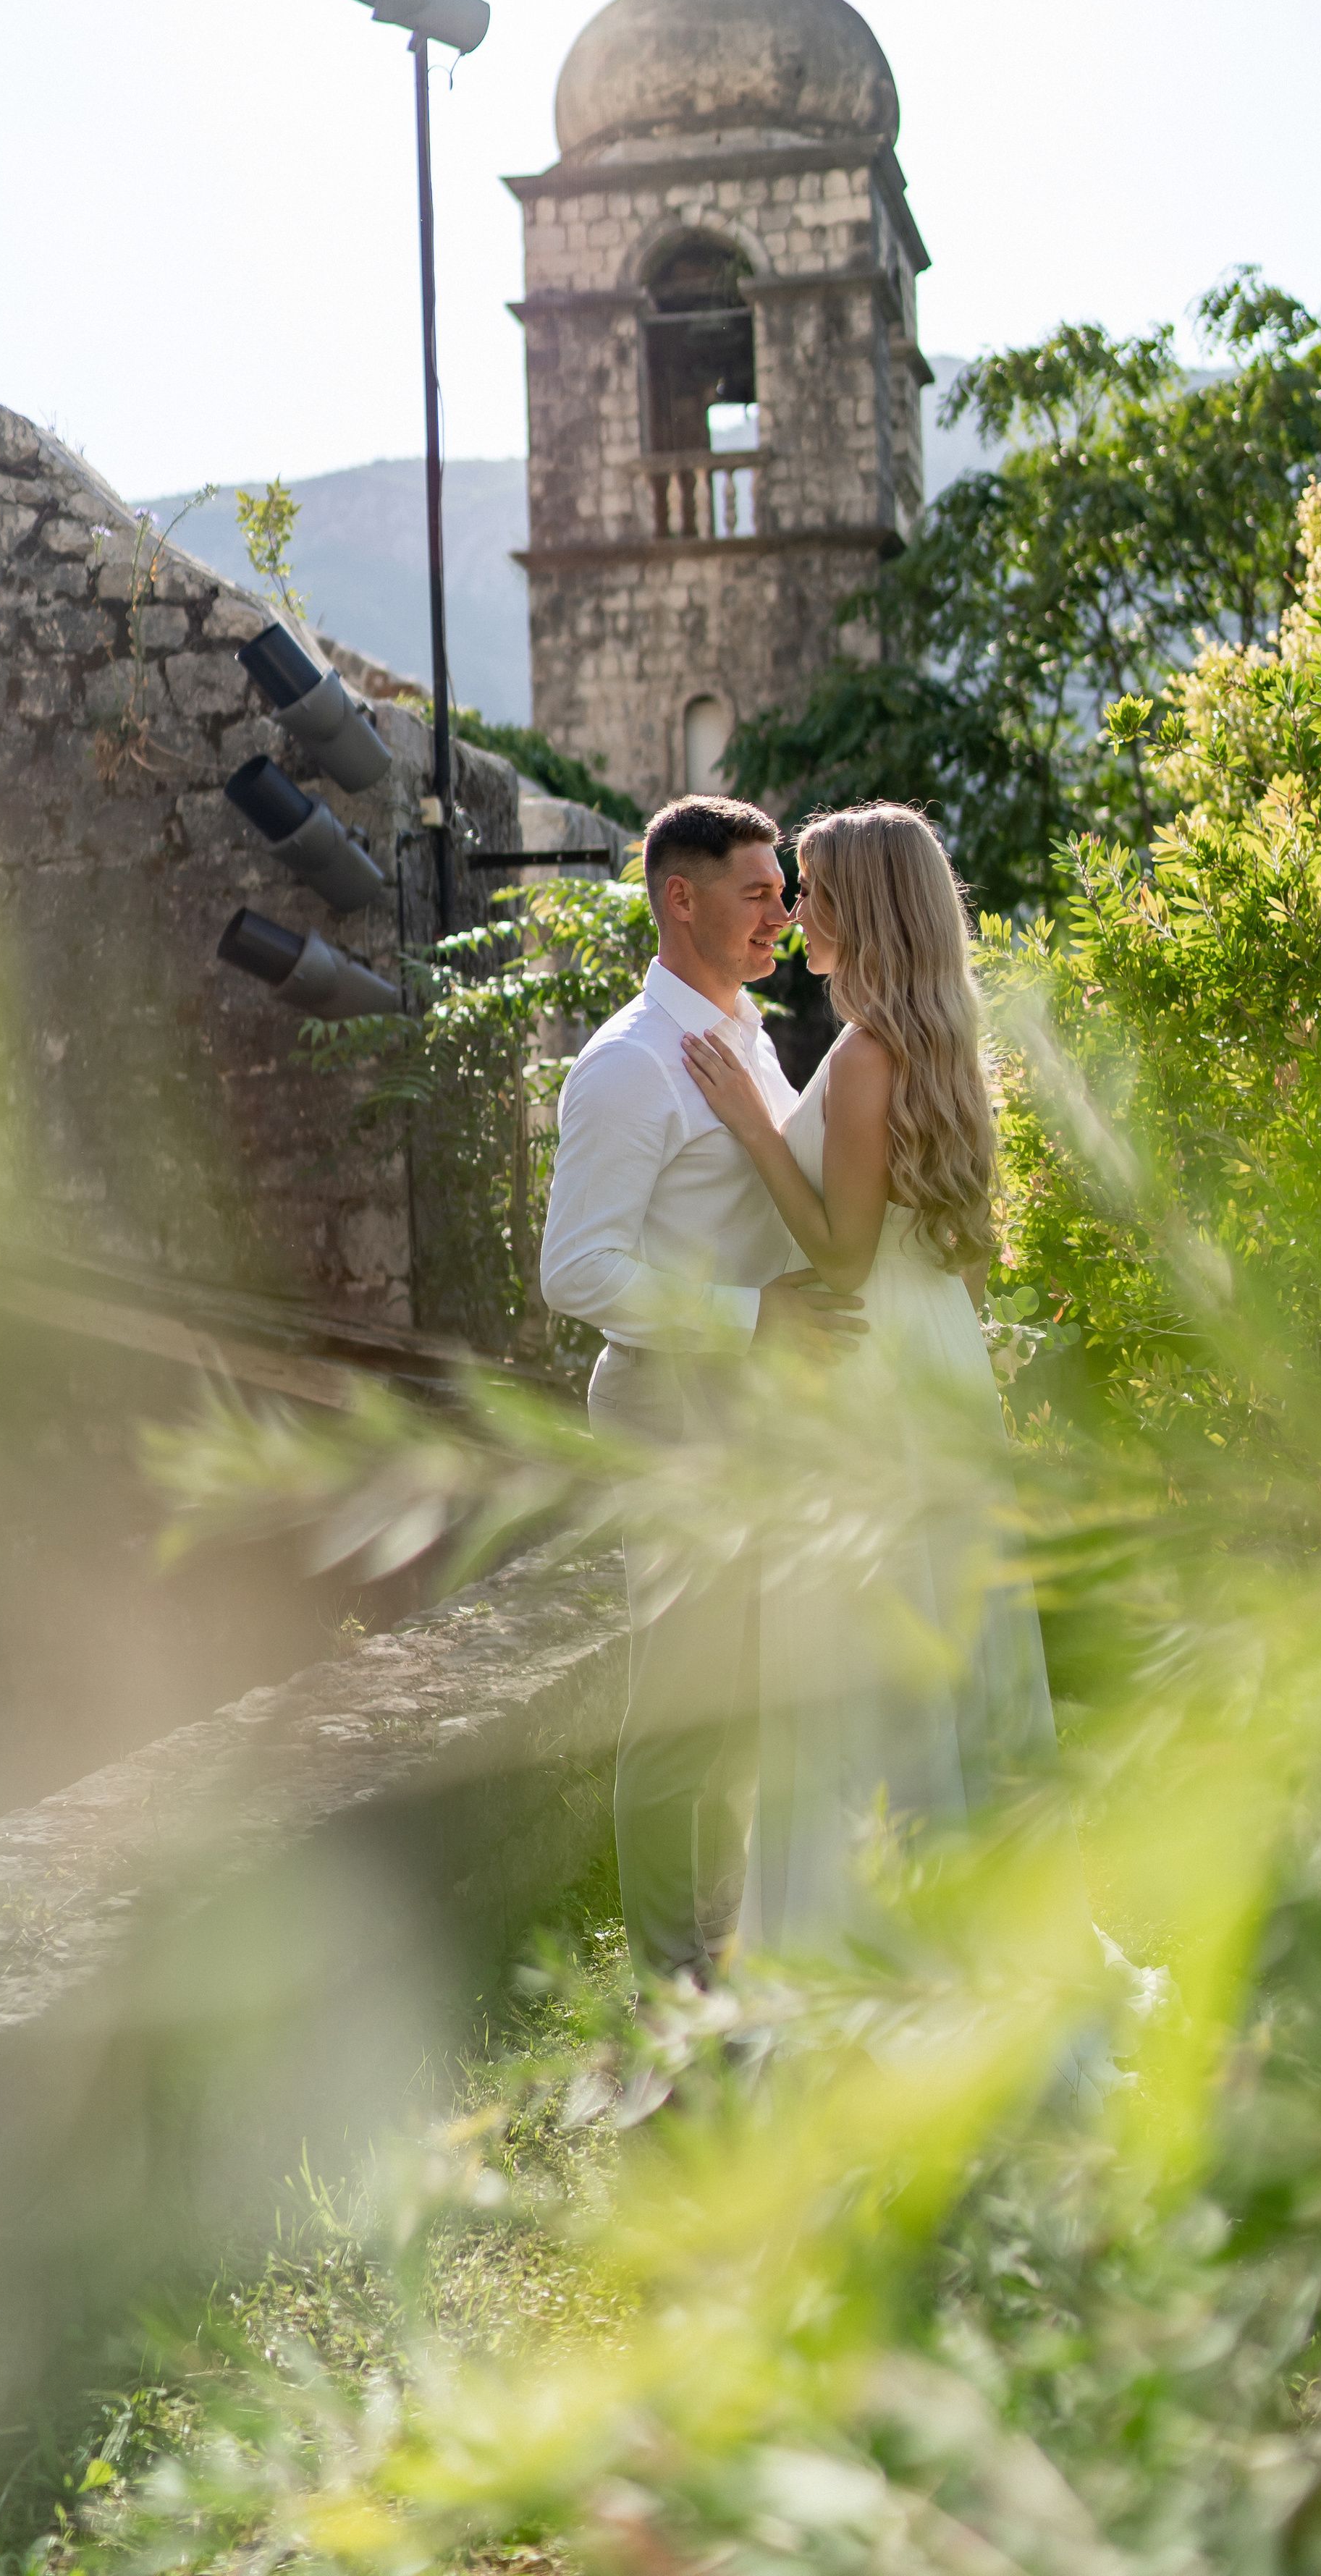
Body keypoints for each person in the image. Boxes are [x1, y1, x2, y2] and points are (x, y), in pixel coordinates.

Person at [680, 799, 1061, 1954]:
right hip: (935, 1347)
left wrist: (754, 1125)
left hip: (867, 1363)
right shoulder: (940, 1044)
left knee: (856, 1646)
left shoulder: (859, 1057)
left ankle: (864, 1940)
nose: (795, 912)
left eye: (813, 892)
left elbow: (842, 1257)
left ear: (864, 910)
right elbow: (957, 1255)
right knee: (943, 1635)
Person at [539, 795, 865, 1983]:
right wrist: (752, 1319)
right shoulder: (629, 1066)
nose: (784, 913)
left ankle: (721, 1952)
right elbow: (575, 1270)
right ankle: (671, 1990)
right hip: (675, 1410)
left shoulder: (746, 1034)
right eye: (759, 892)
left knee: (741, 1708)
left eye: (785, 892)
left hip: (759, 1413)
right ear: (682, 899)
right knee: (682, 1711)